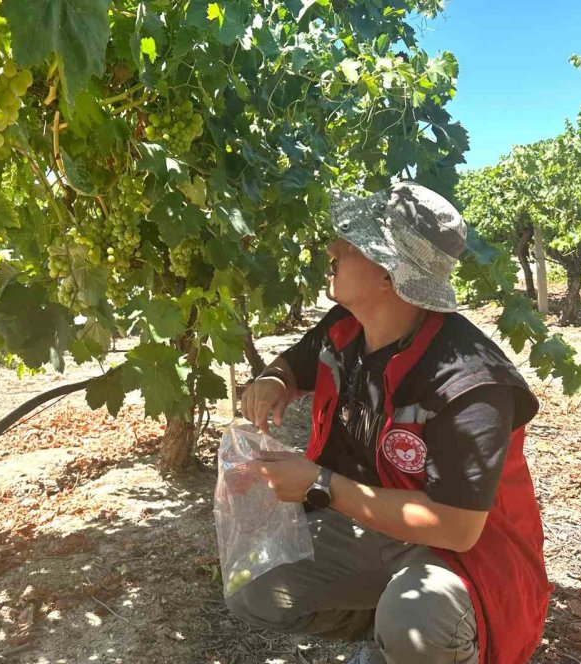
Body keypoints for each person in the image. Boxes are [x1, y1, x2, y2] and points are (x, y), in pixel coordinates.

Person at [229, 182, 550, 664]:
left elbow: (457, 528)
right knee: (253, 586)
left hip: (464, 558)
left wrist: (318, 484)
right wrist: (273, 379)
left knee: (415, 623)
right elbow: (296, 363)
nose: (333, 249)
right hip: (375, 526)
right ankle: (386, 641)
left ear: (388, 275)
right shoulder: (347, 327)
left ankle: (433, 645)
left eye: (352, 244)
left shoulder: (471, 382)